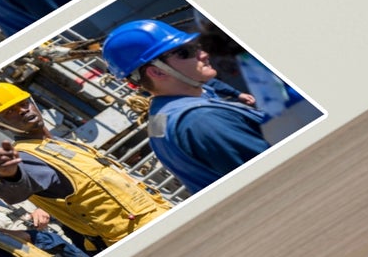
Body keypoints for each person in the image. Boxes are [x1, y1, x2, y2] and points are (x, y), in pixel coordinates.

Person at [0, 81, 172, 253]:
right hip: (135, 237)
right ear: (0, 125)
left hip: (159, 215)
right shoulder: (26, 157)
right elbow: (14, 191)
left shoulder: (61, 143)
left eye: (24, 104)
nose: (23, 111)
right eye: (10, 112)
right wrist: (9, 174)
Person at [102, 20, 270, 193]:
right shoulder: (201, 120)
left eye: (197, 46)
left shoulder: (160, 120)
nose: (204, 54)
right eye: (186, 52)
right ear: (157, 72)